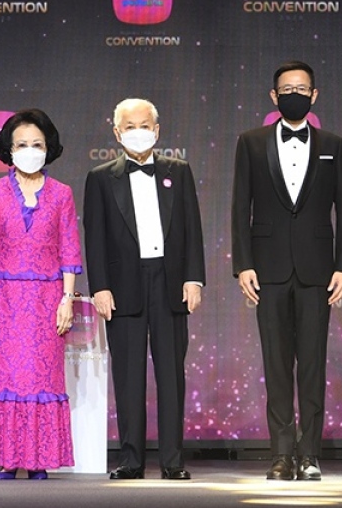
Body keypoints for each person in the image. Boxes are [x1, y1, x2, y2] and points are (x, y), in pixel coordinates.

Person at [231, 61, 342, 481]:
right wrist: (243, 264)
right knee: (277, 363)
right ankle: (282, 454)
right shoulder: (250, 142)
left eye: (302, 88)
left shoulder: (333, 144)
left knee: (313, 364)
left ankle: (310, 454)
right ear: (274, 96)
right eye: (287, 89)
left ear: (314, 95)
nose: (295, 95)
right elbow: (240, 207)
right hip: (267, 270)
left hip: (318, 271)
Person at [83, 98, 205, 481]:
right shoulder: (101, 178)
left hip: (170, 283)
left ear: (157, 129)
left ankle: (173, 461)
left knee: (171, 374)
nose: (138, 132)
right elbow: (95, 238)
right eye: (130, 126)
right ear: (117, 132)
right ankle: (131, 460)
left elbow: (192, 228)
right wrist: (100, 287)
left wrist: (194, 278)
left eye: (145, 125)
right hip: (123, 287)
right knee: (128, 376)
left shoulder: (178, 171)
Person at [0, 109, 82, 480]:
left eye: (37, 144)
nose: (30, 151)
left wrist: (67, 299)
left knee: (40, 379)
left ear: (48, 148)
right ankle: (8, 458)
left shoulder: (62, 194)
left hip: (46, 300)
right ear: (9, 150)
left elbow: (70, 251)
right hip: (1, 299)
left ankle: (37, 460)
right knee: (4, 378)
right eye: (22, 145)